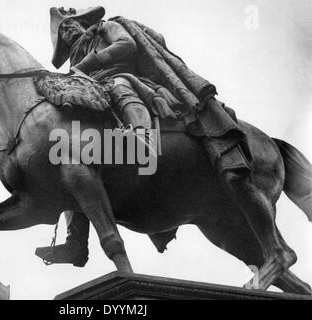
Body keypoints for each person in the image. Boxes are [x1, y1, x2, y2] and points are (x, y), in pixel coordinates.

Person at [35, 6, 253, 266]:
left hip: (123, 79)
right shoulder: (74, 57)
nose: (69, 34)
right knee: (71, 157)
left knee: (119, 87)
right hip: (94, 92)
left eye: (70, 26)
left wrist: (88, 63)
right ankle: (76, 242)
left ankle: (143, 140)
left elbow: (126, 46)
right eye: (64, 34)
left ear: (82, 22)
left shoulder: (105, 27)